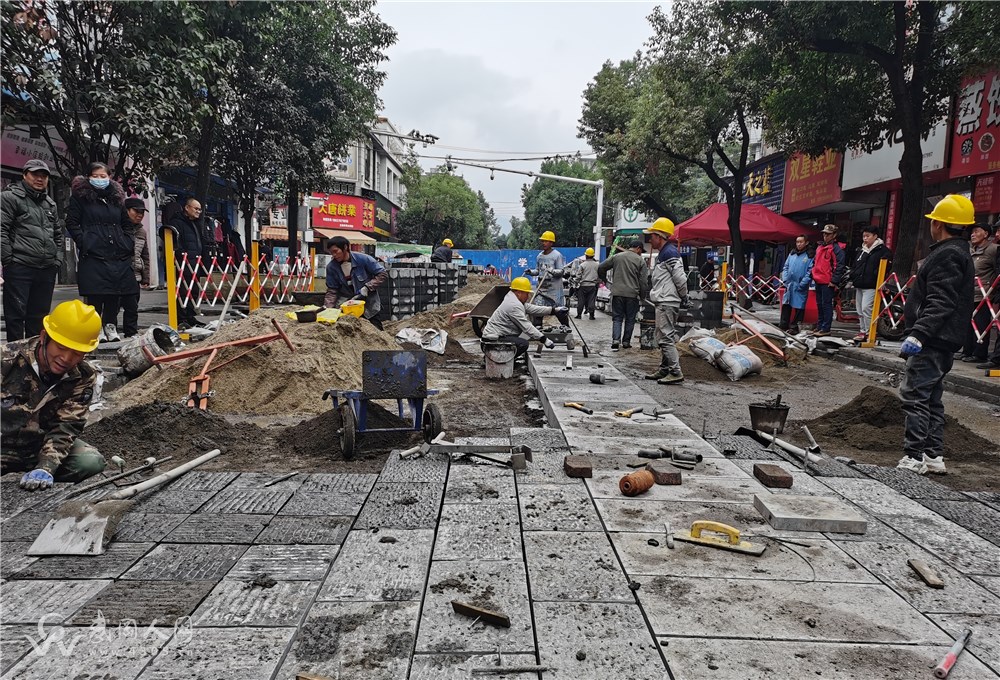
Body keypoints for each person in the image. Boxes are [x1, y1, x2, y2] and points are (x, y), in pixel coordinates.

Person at [896, 195, 976, 476]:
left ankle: (914, 456)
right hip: (945, 338)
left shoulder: (948, 254)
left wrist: (919, 334)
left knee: (915, 394)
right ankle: (932, 455)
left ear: (939, 223)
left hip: (933, 339)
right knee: (931, 397)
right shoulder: (958, 252)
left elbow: (940, 300)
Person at [1, 300, 107, 490]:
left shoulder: (84, 377)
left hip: (38, 446)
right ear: (44, 337)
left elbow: (66, 427)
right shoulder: (6, 360)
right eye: (61, 347)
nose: (66, 359)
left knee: (90, 462)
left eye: (77, 353)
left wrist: (47, 466)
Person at [65, 162, 138, 342]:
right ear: (88, 177)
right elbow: (72, 223)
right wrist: (85, 241)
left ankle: (110, 325)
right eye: (95, 176)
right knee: (95, 293)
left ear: (109, 178)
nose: (99, 180)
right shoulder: (80, 198)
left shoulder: (116, 199)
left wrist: (127, 242)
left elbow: (126, 224)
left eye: (103, 176)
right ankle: (95, 327)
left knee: (115, 291)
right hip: (94, 253)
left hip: (117, 252)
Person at [1, 159, 62, 341]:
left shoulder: (50, 204)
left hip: (46, 268)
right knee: (16, 316)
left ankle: (34, 359)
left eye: (44, 176)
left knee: (40, 317)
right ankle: (15, 360)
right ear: (25, 175)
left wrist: (56, 261)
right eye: (35, 174)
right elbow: (1, 229)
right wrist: (8, 261)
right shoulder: (9, 198)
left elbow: (57, 234)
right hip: (20, 266)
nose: (40, 179)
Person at [643, 218, 689, 384]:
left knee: (666, 337)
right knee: (662, 335)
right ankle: (664, 369)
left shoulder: (669, 253)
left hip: (667, 301)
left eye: (652, 236)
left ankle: (676, 372)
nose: (650, 239)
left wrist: (684, 295)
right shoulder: (665, 253)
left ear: (659, 236)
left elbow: (680, 278)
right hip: (664, 300)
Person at [481, 277, 569, 359]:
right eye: (526, 293)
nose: (527, 296)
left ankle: (495, 358)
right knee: (522, 344)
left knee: (521, 340)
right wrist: (544, 339)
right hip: (492, 341)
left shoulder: (513, 299)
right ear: (519, 293)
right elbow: (526, 326)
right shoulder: (513, 305)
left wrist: (554, 310)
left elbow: (532, 309)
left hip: (494, 337)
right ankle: (498, 360)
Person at [323, 236, 388, 329]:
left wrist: (368, 287)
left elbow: (382, 274)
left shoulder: (363, 259)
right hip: (347, 308)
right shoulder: (331, 267)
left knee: (376, 331)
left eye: (335, 251)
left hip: (368, 306)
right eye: (331, 253)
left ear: (345, 247)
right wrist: (328, 310)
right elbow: (332, 291)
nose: (333, 255)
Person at [598, 239, 650, 349]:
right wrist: (642, 295)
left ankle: (615, 340)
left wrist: (604, 280)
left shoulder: (617, 257)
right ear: (638, 248)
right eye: (641, 250)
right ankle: (626, 342)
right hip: (632, 295)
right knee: (630, 319)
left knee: (617, 318)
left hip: (617, 293)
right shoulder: (640, 261)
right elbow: (643, 281)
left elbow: (601, 267)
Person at [959, 222, 999, 363]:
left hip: (984, 295)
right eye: (972, 232)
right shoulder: (970, 250)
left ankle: (979, 354)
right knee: (968, 324)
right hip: (968, 293)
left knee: (981, 325)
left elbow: (996, 271)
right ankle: (967, 351)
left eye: (976, 231)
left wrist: (992, 291)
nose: (973, 234)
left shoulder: (994, 250)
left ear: (986, 234)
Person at [168, 197, 208, 328]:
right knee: (182, 292)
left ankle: (190, 317)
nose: (198, 212)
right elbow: (174, 244)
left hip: (195, 263)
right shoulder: (176, 223)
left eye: (200, 209)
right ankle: (181, 318)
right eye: (196, 208)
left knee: (193, 291)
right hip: (182, 264)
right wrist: (181, 256)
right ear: (187, 207)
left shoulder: (195, 224)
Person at [849, 225, 892, 342]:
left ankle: (869, 332)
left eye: (867, 236)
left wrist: (875, 276)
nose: (865, 238)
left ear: (875, 236)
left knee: (866, 308)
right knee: (859, 309)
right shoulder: (861, 250)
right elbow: (855, 266)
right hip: (859, 284)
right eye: (863, 236)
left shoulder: (883, 251)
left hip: (872, 285)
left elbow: (885, 267)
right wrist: (853, 275)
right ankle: (862, 331)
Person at [120, 197, 149, 337]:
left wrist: (146, 277)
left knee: (132, 307)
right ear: (126, 211)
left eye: (142, 212)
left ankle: (131, 332)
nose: (140, 215)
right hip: (118, 273)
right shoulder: (118, 228)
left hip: (135, 275)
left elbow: (145, 255)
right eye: (136, 211)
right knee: (113, 307)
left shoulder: (142, 232)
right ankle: (108, 332)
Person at [810, 224, 846, 337]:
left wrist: (834, 281)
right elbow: (815, 262)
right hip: (818, 280)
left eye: (828, 234)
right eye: (824, 234)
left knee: (826, 305)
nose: (825, 236)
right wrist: (813, 274)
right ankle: (820, 326)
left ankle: (826, 328)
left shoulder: (836, 249)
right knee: (819, 305)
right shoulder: (820, 247)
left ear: (834, 235)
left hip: (828, 282)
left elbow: (839, 266)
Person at [525, 230, 566, 323]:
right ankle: (538, 330)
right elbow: (538, 271)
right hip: (542, 289)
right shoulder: (539, 256)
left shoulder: (557, 255)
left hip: (554, 290)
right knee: (538, 311)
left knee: (559, 311)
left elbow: (561, 271)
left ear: (551, 243)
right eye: (542, 241)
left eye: (546, 241)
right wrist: (530, 272)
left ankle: (566, 328)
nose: (543, 243)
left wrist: (551, 270)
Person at [779, 235, 813, 335]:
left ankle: (795, 327)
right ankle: (783, 325)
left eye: (801, 242)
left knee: (799, 307)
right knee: (786, 305)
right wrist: (785, 280)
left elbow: (810, 271)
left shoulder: (809, 255)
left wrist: (803, 283)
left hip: (800, 284)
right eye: (797, 242)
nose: (798, 244)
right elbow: (785, 267)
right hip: (789, 284)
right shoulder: (792, 254)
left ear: (806, 243)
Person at [575, 248, 600, 320]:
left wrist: (576, 283)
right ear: (593, 256)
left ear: (586, 255)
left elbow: (578, 276)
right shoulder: (597, 265)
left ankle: (579, 315)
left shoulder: (582, 265)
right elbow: (599, 275)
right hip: (592, 286)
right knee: (591, 300)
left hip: (583, 285)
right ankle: (591, 315)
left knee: (581, 300)